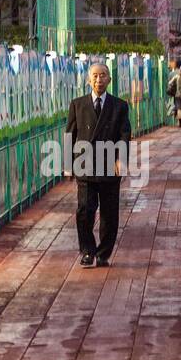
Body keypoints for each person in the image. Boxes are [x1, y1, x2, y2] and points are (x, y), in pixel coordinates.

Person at [65, 62, 130, 268]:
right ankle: (87, 251)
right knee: (84, 210)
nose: (98, 80)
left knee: (109, 213)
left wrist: (121, 159)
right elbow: (70, 135)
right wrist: (68, 164)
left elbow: (124, 134)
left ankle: (103, 253)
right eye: (94, 76)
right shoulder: (78, 104)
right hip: (85, 165)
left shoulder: (119, 106)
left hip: (110, 165)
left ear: (109, 79)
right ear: (88, 80)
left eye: (103, 75)